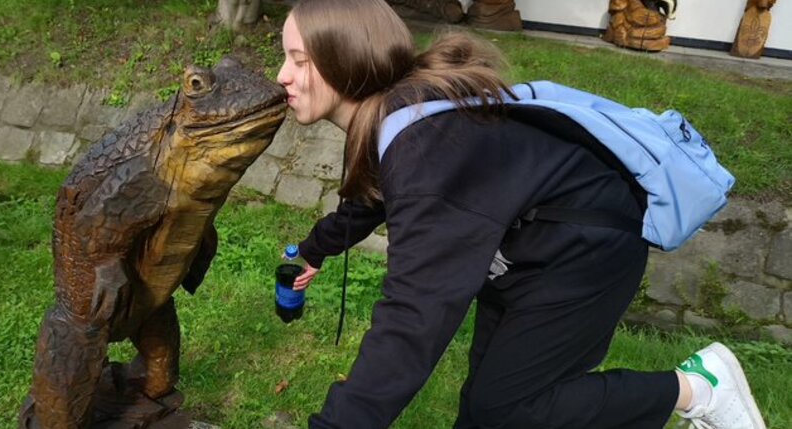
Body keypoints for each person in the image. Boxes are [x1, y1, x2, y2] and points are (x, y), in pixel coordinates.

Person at [275, 1, 768, 428]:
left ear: (347, 58)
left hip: (584, 250)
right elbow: (373, 197)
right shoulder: (401, 118)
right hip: (525, 247)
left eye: (299, 59)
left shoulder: (423, 143)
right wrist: (318, 249)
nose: (282, 75)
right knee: (485, 408)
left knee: (512, 410)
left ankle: (697, 388)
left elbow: (414, 316)